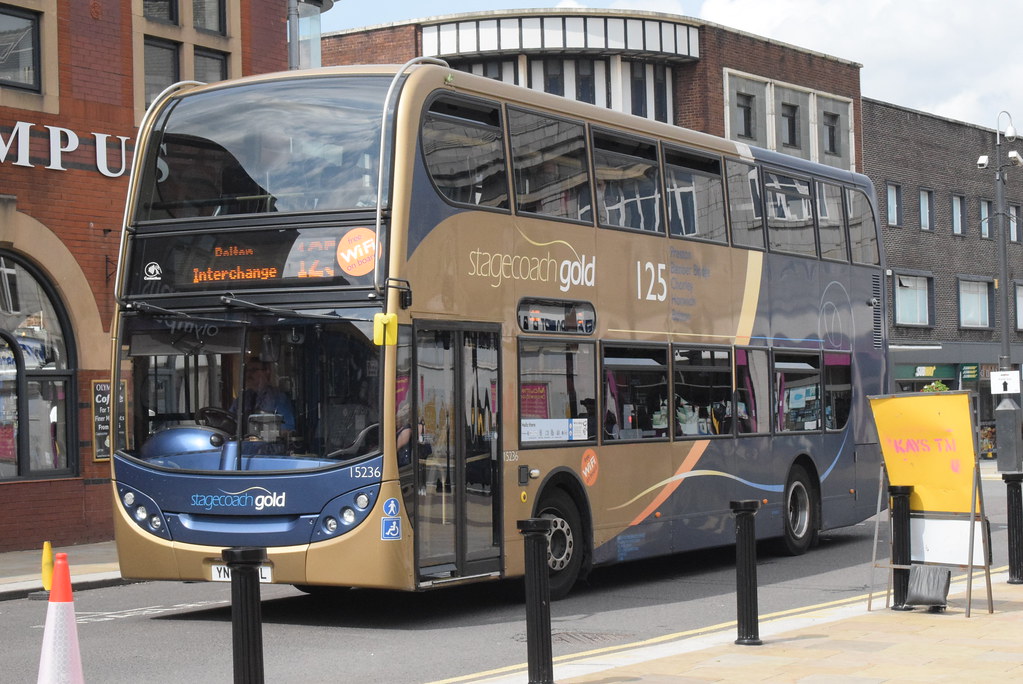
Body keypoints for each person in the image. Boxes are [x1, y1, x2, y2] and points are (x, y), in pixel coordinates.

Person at [234, 360, 296, 432]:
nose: (249, 374)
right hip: (241, 442)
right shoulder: (242, 399)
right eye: (247, 370)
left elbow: (287, 428)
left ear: (267, 372)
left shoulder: (278, 398)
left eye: (254, 370)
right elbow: (230, 418)